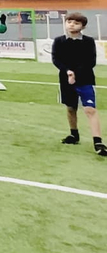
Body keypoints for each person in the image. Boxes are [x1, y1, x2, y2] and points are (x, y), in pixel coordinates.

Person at [52, 12, 105, 156]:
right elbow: (56, 59)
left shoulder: (88, 41)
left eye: (76, 23)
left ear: (83, 26)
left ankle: (98, 142)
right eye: (69, 21)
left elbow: (91, 61)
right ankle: (74, 135)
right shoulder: (59, 41)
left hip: (85, 79)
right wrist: (68, 71)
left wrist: (75, 73)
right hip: (65, 80)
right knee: (70, 108)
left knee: (90, 109)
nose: (71, 24)